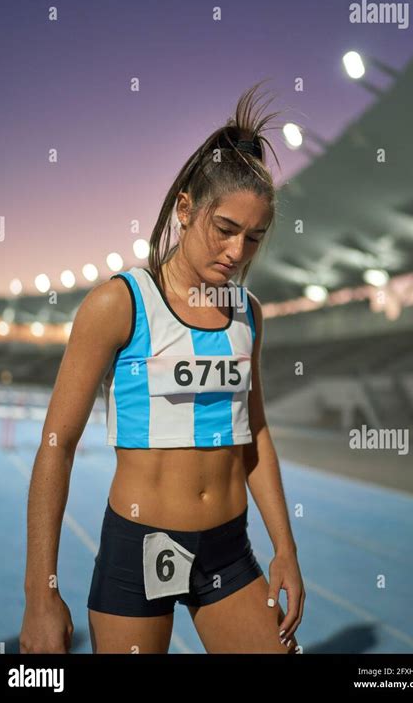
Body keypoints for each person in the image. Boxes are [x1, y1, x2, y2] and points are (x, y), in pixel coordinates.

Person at [20, 81, 306, 654]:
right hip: (142, 547)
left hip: (228, 550)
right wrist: (40, 593)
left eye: (254, 238)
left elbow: (256, 434)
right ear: (185, 210)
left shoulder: (246, 313)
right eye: (224, 229)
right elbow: (57, 444)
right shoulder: (119, 305)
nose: (237, 252)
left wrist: (285, 549)